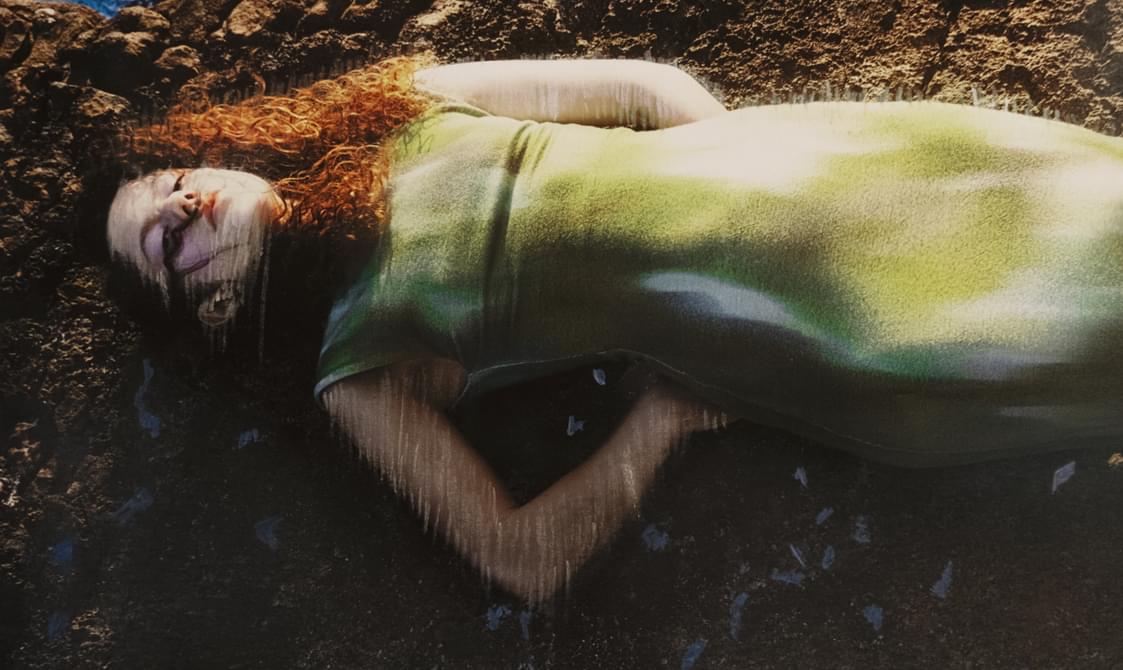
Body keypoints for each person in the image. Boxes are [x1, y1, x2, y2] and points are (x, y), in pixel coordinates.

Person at [107, 56, 1123, 602]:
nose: (180, 204)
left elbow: (639, 87)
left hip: (844, 161)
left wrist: (744, 167)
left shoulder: (395, 106)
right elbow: (518, 557)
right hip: (831, 329)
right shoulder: (355, 369)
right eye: (158, 241)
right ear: (217, 312)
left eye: (173, 179)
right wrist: (660, 426)